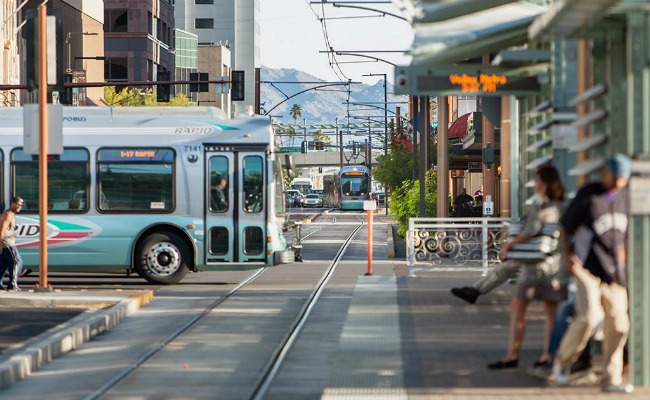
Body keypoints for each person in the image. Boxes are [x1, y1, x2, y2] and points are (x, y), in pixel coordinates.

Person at [549, 154, 634, 393]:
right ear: (605, 173)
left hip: (614, 272)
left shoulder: (626, 197)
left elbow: (626, 236)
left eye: (622, 179)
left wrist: (625, 262)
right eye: (615, 178)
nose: (618, 183)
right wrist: (568, 256)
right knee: (590, 316)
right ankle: (563, 362)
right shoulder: (589, 195)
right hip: (586, 268)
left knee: (619, 323)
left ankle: (612, 378)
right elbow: (565, 226)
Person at [486, 165, 566, 370]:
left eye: (537, 179)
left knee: (518, 306)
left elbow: (531, 230)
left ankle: (513, 355)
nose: (535, 183)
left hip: (535, 267)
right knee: (550, 311)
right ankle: (548, 354)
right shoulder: (561, 206)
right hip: (554, 266)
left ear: (545, 183)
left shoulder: (541, 207)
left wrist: (509, 245)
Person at [0, 196, 24, 291]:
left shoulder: (11, 214)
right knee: (17, 262)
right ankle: (12, 284)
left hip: (6, 243)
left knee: (3, 264)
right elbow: (2, 230)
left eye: (21, 205)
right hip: (7, 243)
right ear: (12, 203)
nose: (19, 207)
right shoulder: (8, 215)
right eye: (18, 204)